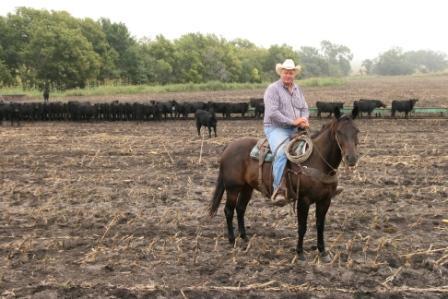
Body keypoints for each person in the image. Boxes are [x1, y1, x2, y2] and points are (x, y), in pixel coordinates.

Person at [263, 59, 309, 206]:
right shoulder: (273, 89)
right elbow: (272, 112)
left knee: (311, 149)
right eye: (285, 72)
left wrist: (304, 120)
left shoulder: (297, 89)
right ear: (281, 73)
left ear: (294, 74)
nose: (288, 75)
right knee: (283, 152)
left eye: (291, 72)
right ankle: (279, 189)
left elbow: (304, 109)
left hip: (295, 127)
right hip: (276, 127)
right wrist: (292, 122)